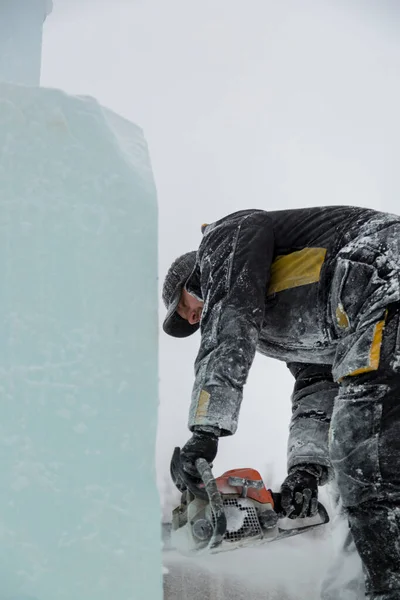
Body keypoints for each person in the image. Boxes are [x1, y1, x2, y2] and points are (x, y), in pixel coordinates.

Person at [162, 206, 400, 600]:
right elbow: (315, 385)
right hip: (368, 319)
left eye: (183, 303)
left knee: (362, 448)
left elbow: (229, 323)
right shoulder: (286, 321)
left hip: (383, 274)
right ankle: (356, 584)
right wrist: (305, 470)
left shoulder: (226, 239)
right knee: (360, 468)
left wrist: (206, 428)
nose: (189, 319)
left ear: (197, 274)